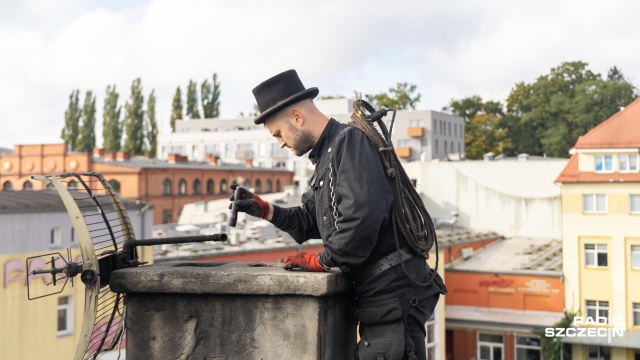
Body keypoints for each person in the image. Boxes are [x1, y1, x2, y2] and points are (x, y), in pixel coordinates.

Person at [229, 69, 446, 359]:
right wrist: (267, 210)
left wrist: (322, 261)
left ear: (297, 117)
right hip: (384, 295)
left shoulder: (349, 143)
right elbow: (312, 219)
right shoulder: (326, 156)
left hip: (394, 293)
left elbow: (364, 216)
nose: (280, 142)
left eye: (279, 133)